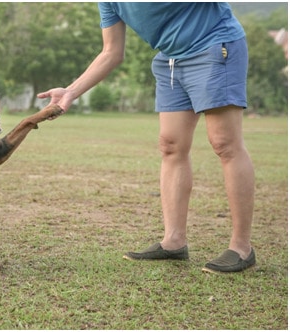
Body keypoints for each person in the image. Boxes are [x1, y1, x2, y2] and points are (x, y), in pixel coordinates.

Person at [38, 3, 255, 273]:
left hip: (213, 45)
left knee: (225, 144)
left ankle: (241, 248)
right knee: (171, 145)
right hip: (170, 60)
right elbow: (111, 52)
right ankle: (173, 241)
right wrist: (71, 91)